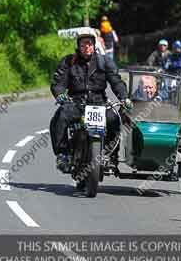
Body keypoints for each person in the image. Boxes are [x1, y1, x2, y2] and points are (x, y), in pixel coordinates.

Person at [49, 33, 132, 169]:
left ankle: (110, 155)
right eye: (83, 44)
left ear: (94, 45)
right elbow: (58, 83)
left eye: (89, 44)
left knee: (114, 119)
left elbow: (116, 81)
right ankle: (63, 154)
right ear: (78, 47)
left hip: (99, 103)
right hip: (76, 103)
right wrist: (59, 95)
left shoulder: (104, 61)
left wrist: (124, 98)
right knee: (60, 117)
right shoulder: (69, 62)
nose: (86, 47)